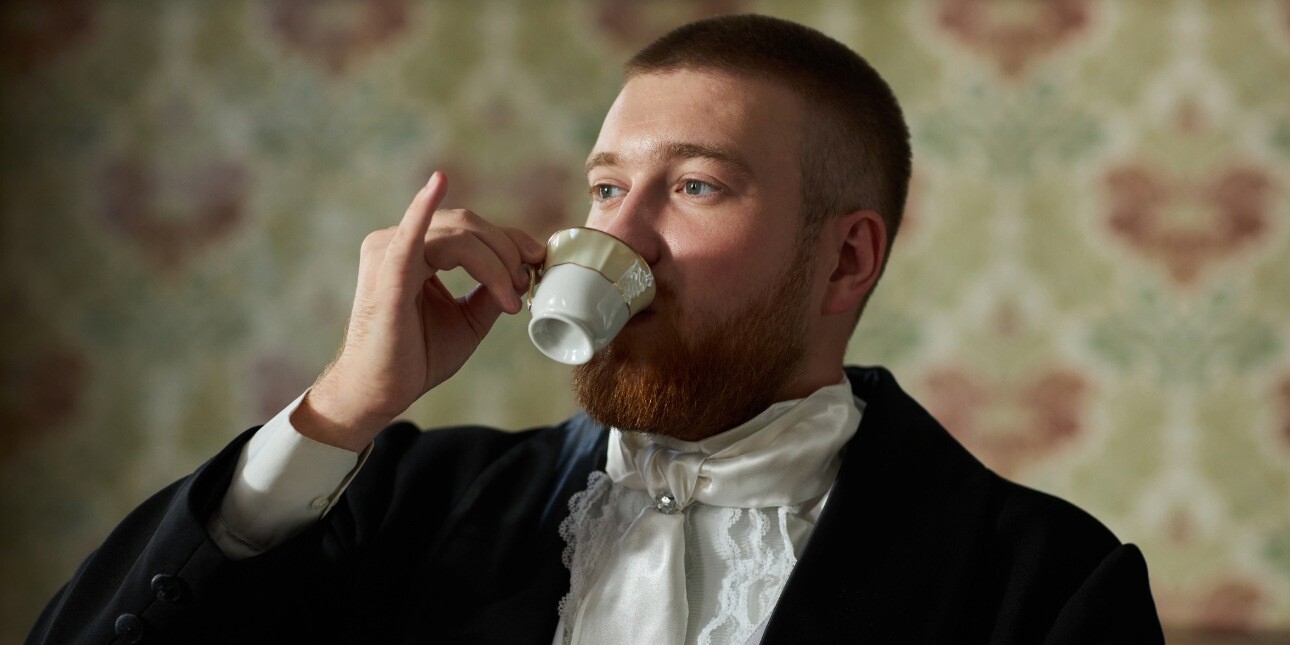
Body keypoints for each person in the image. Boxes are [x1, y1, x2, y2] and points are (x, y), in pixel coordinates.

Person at [28, 14, 1165, 645]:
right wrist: (337, 412)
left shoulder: (1046, 586)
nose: (617, 236)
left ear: (847, 258)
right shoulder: (405, 505)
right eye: (607, 187)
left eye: (697, 186)